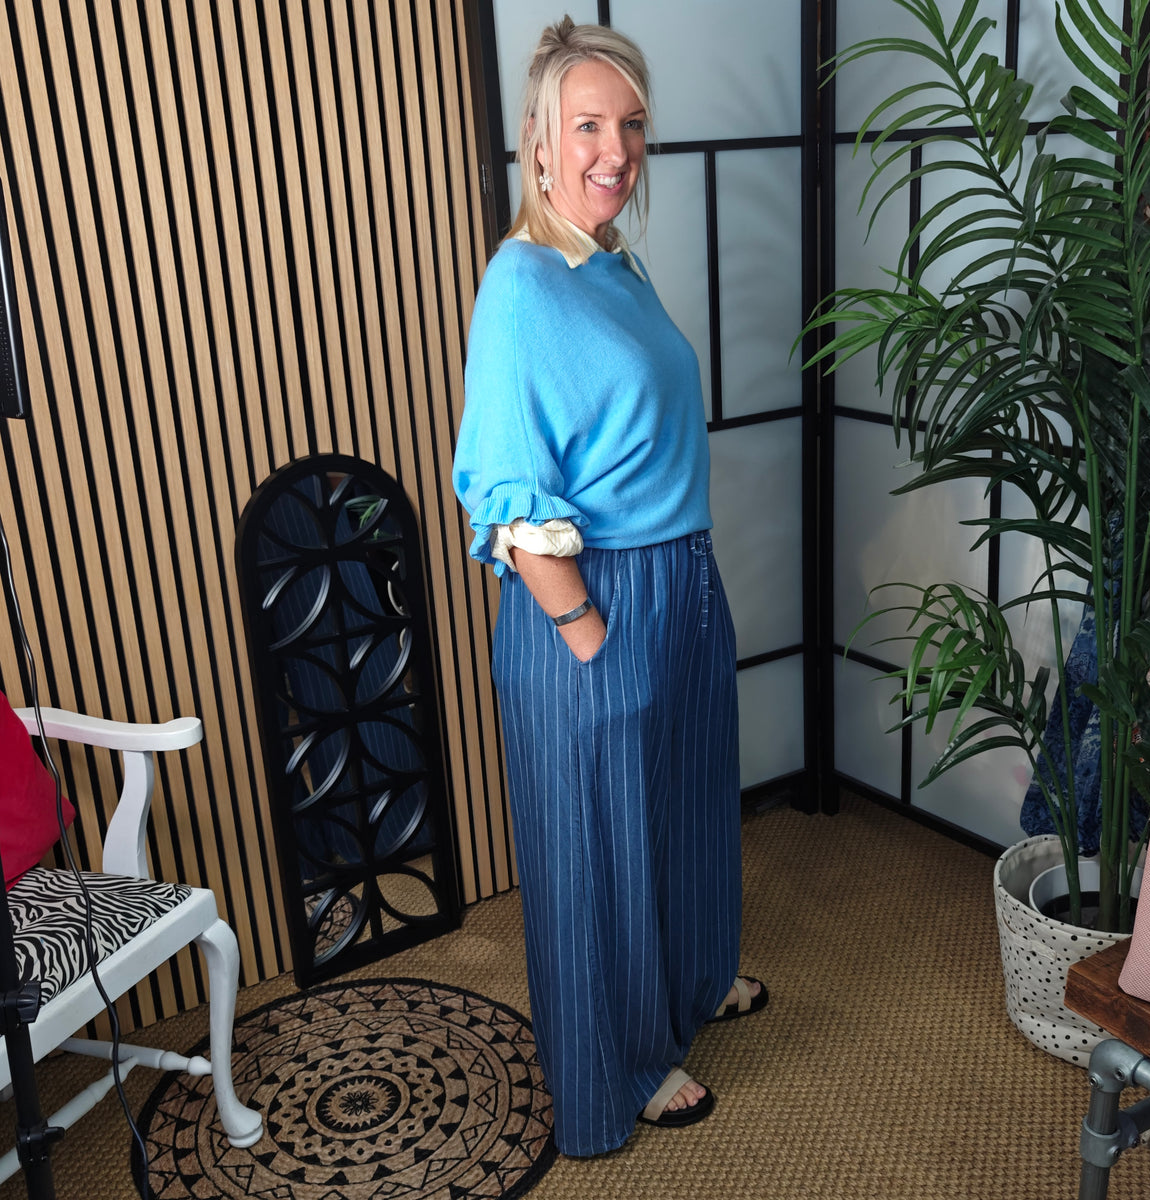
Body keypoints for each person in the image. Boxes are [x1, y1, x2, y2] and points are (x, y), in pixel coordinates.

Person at [452, 16, 767, 1157]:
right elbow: (498, 488)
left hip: (679, 579)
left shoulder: (613, 266)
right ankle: (620, 1068)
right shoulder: (524, 284)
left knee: (679, 808)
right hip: (596, 600)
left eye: (630, 126)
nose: (615, 150)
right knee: (600, 847)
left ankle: (684, 989)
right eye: (588, 124)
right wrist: (585, 627)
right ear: (540, 141)